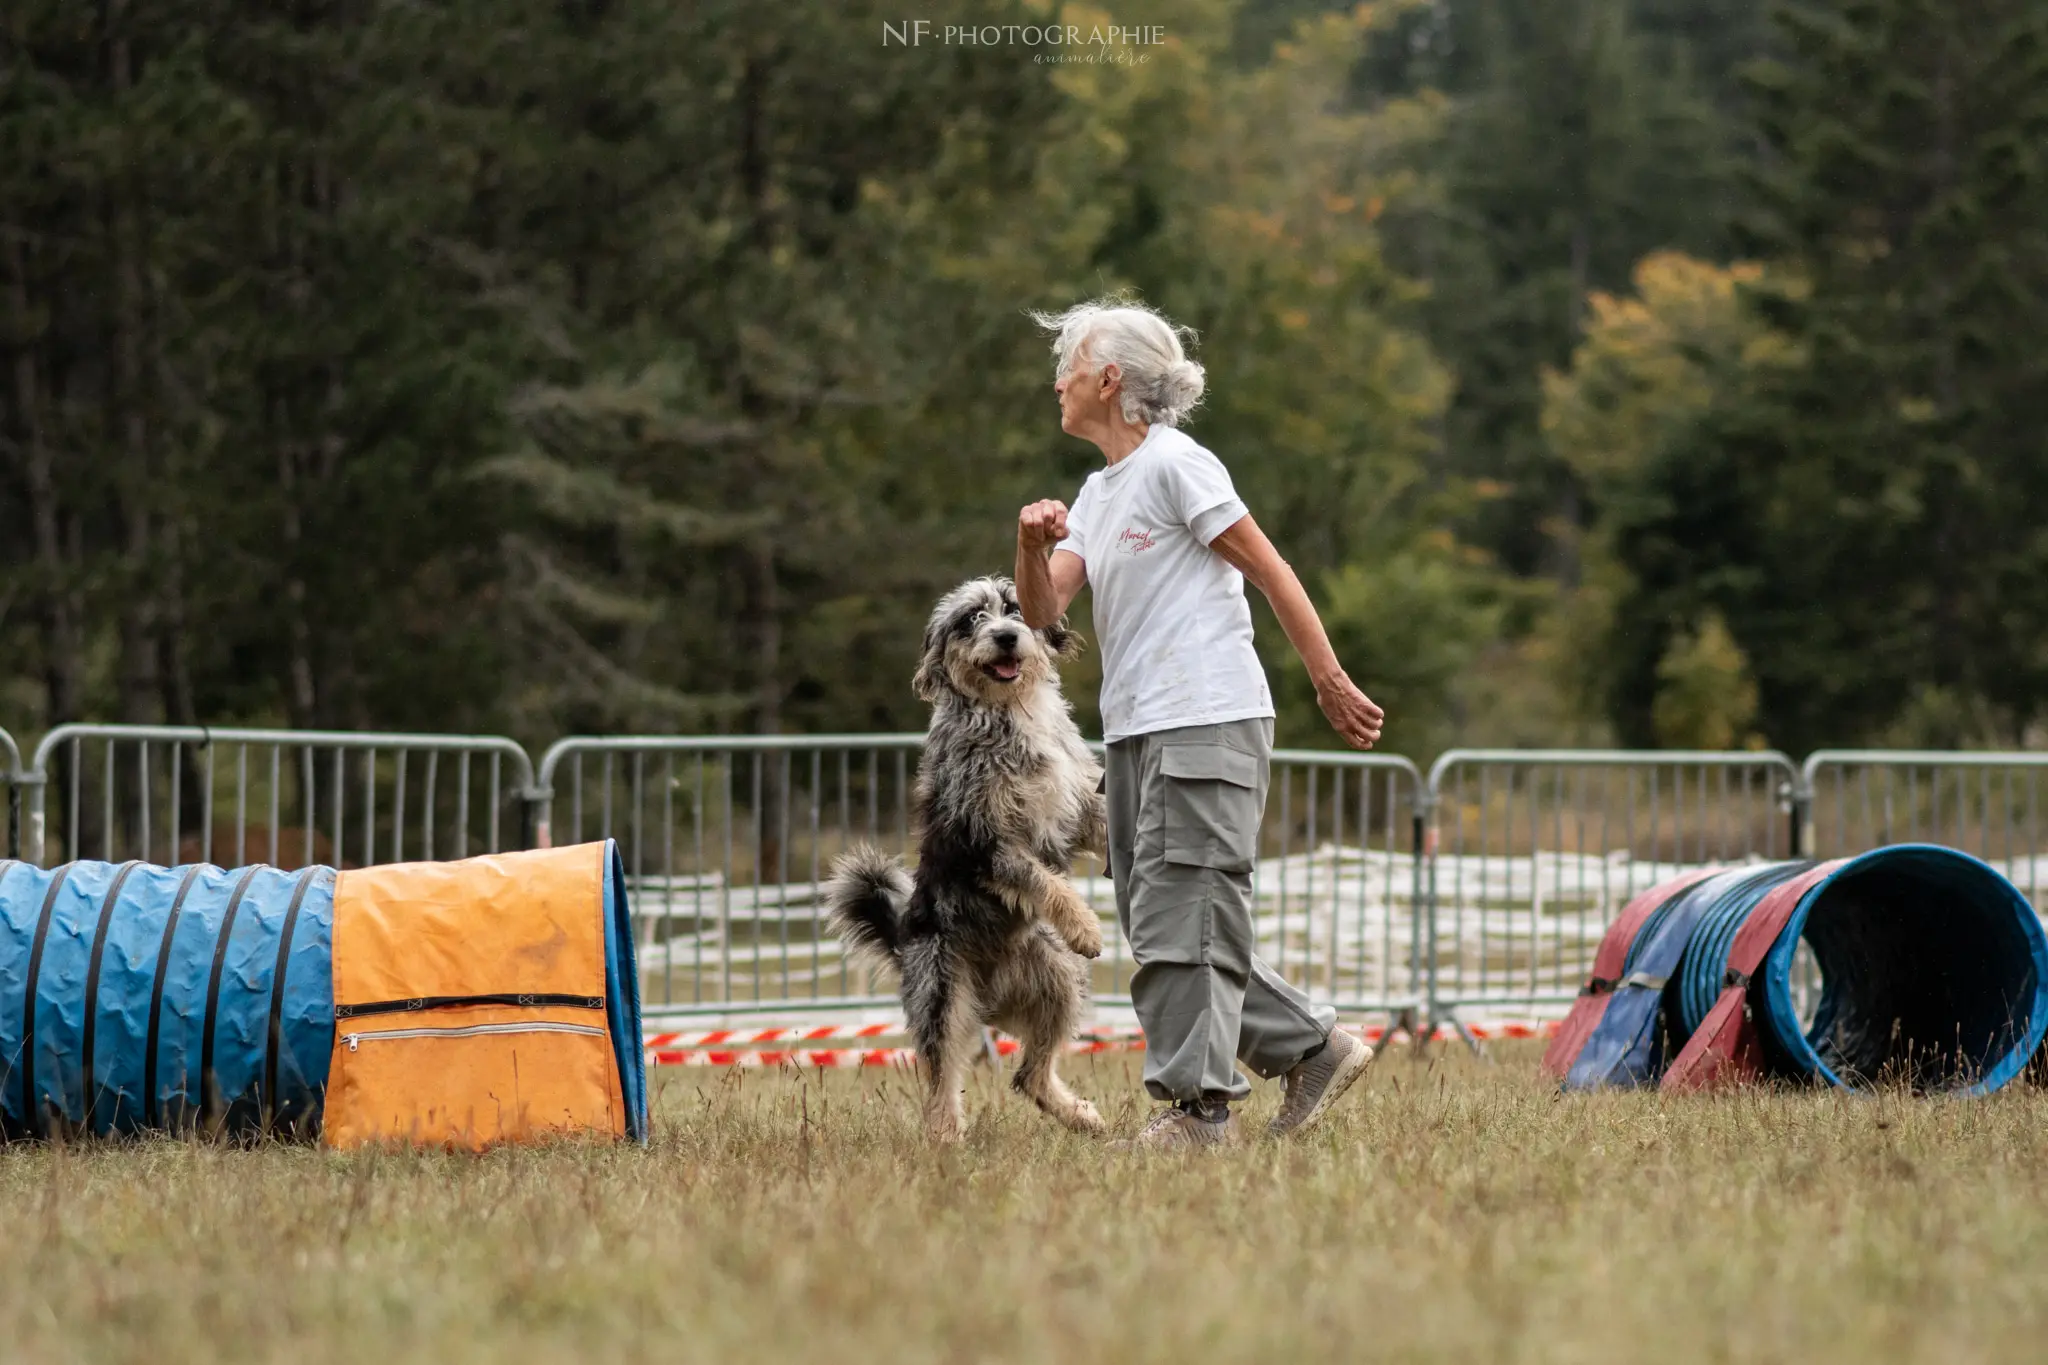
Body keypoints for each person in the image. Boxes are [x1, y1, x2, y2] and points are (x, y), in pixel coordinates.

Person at [1015, 297, 1385, 1150]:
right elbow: (1044, 614)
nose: (1058, 381)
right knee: (1167, 922)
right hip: (1137, 729)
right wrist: (1031, 545)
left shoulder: (1181, 464)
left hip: (1207, 716)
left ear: (1110, 380)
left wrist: (1327, 678)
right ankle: (1312, 1047)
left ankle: (1198, 1111)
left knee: (1189, 912)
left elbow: (1270, 568)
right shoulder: (1099, 492)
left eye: (1068, 364)